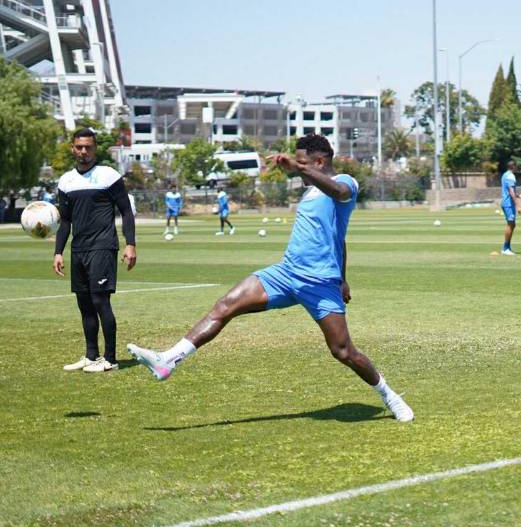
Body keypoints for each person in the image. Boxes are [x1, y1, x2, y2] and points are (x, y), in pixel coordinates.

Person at [126, 134, 414, 422]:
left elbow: (339, 194)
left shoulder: (345, 182)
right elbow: (337, 239)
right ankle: (169, 360)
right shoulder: (310, 192)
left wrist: (338, 279)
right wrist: (345, 277)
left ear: (319, 161)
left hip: (319, 283)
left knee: (342, 351)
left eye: (303, 163)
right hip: (285, 273)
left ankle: (390, 395)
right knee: (225, 305)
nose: (297, 169)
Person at [54, 128, 137, 373]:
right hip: (78, 249)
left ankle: (110, 359)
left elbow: (126, 211)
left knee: (101, 301)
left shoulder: (108, 176)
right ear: (73, 148)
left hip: (103, 246)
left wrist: (130, 244)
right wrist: (59, 251)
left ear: (95, 149)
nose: (84, 152)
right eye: (79, 147)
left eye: (88, 147)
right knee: (84, 304)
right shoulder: (66, 181)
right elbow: (65, 221)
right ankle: (91, 356)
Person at [499, 160, 521, 255]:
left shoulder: (505, 175)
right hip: (508, 203)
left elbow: (510, 191)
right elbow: (511, 191)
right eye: (516, 166)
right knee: (510, 224)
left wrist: (520, 196)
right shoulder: (510, 176)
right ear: (513, 166)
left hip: (507, 202)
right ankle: (505, 248)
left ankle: (507, 247)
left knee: (512, 224)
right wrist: (518, 205)